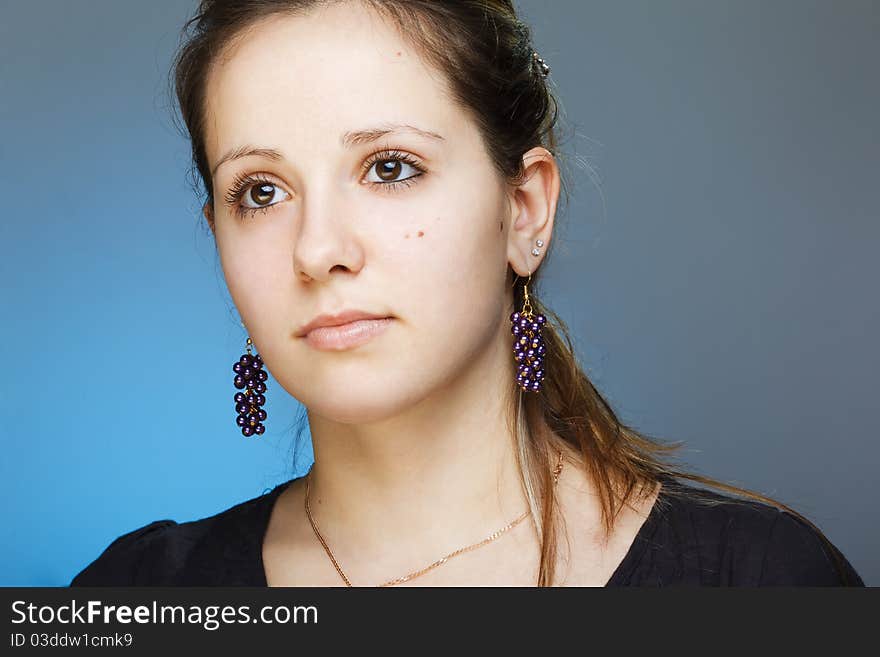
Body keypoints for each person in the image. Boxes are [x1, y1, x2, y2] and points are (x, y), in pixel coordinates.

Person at [70, 0, 863, 587]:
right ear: (218, 237)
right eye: (262, 191)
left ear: (524, 210)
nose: (317, 249)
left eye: (389, 167)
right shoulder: (138, 595)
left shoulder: (757, 580)